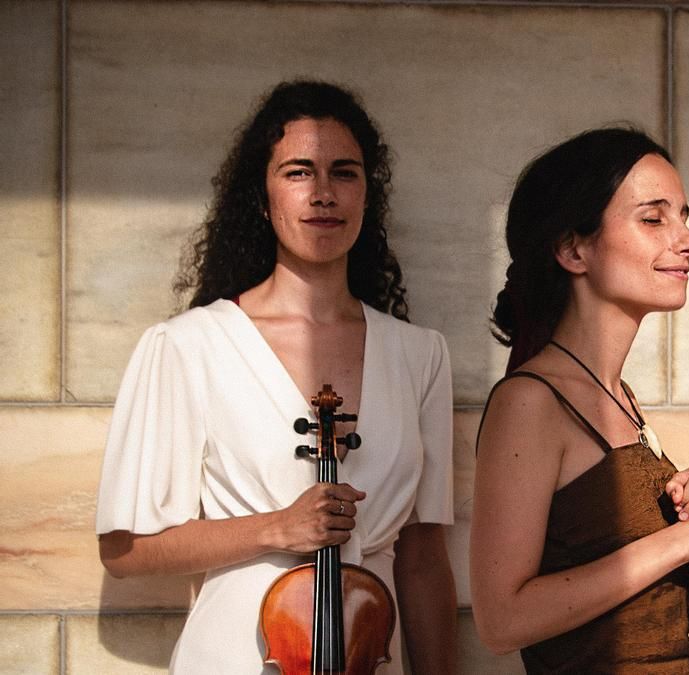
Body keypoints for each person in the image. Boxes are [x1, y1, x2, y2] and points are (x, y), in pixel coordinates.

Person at [95, 80, 456, 674]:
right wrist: (280, 526)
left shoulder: (421, 356)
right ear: (262, 199)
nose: (322, 194)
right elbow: (125, 549)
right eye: (297, 173)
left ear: (368, 196)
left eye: (344, 173)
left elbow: (422, 559)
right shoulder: (190, 346)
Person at [470, 127, 689, 674]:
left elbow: (638, 614)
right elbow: (501, 619)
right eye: (653, 218)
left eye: (683, 215)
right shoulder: (531, 402)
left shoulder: (620, 398)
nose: (688, 240)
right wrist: (686, 539)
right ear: (573, 248)